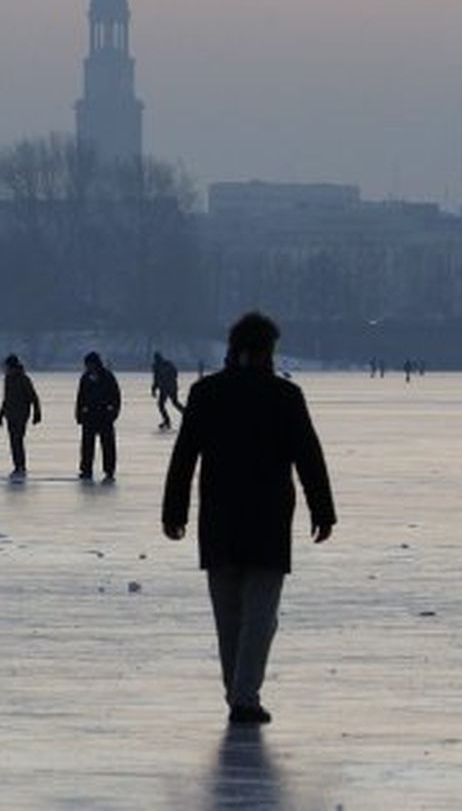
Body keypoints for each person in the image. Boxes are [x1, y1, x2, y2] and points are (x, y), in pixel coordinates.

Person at [162, 311, 336, 726]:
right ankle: (244, 695)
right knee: (260, 616)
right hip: (268, 521)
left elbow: (183, 457)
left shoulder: (206, 393)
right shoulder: (284, 397)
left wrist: (174, 512)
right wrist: (322, 511)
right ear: (267, 351)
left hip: (219, 522)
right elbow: (309, 457)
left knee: (229, 618)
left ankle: (237, 692)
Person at [74, 351, 121, 481]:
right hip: (89, 416)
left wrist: (113, 413)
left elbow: (116, 396)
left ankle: (109, 470)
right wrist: (79, 414)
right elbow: (80, 397)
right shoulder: (85, 377)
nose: (87, 367)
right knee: (87, 446)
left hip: (105, 416)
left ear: (95, 363)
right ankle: (86, 470)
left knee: (108, 445)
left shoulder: (108, 377)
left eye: (88, 364)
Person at [0, 354, 42, 479]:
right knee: (13, 441)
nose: (6, 369)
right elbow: (6, 399)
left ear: (13, 367)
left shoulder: (24, 379)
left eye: (7, 367)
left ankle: (20, 465)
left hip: (21, 415)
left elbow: (33, 397)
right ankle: (17, 465)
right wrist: (1, 414)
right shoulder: (8, 379)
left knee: (18, 440)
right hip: (10, 415)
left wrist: (37, 413)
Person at [151, 351, 185, 431]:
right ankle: (168, 420)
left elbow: (157, 379)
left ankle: (167, 421)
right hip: (170, 387)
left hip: (166, 388)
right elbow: (175, 374)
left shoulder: (160, 366)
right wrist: (154, 388)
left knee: (165, 404)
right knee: (173, 403)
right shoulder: (167, 364)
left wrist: (154, 388)